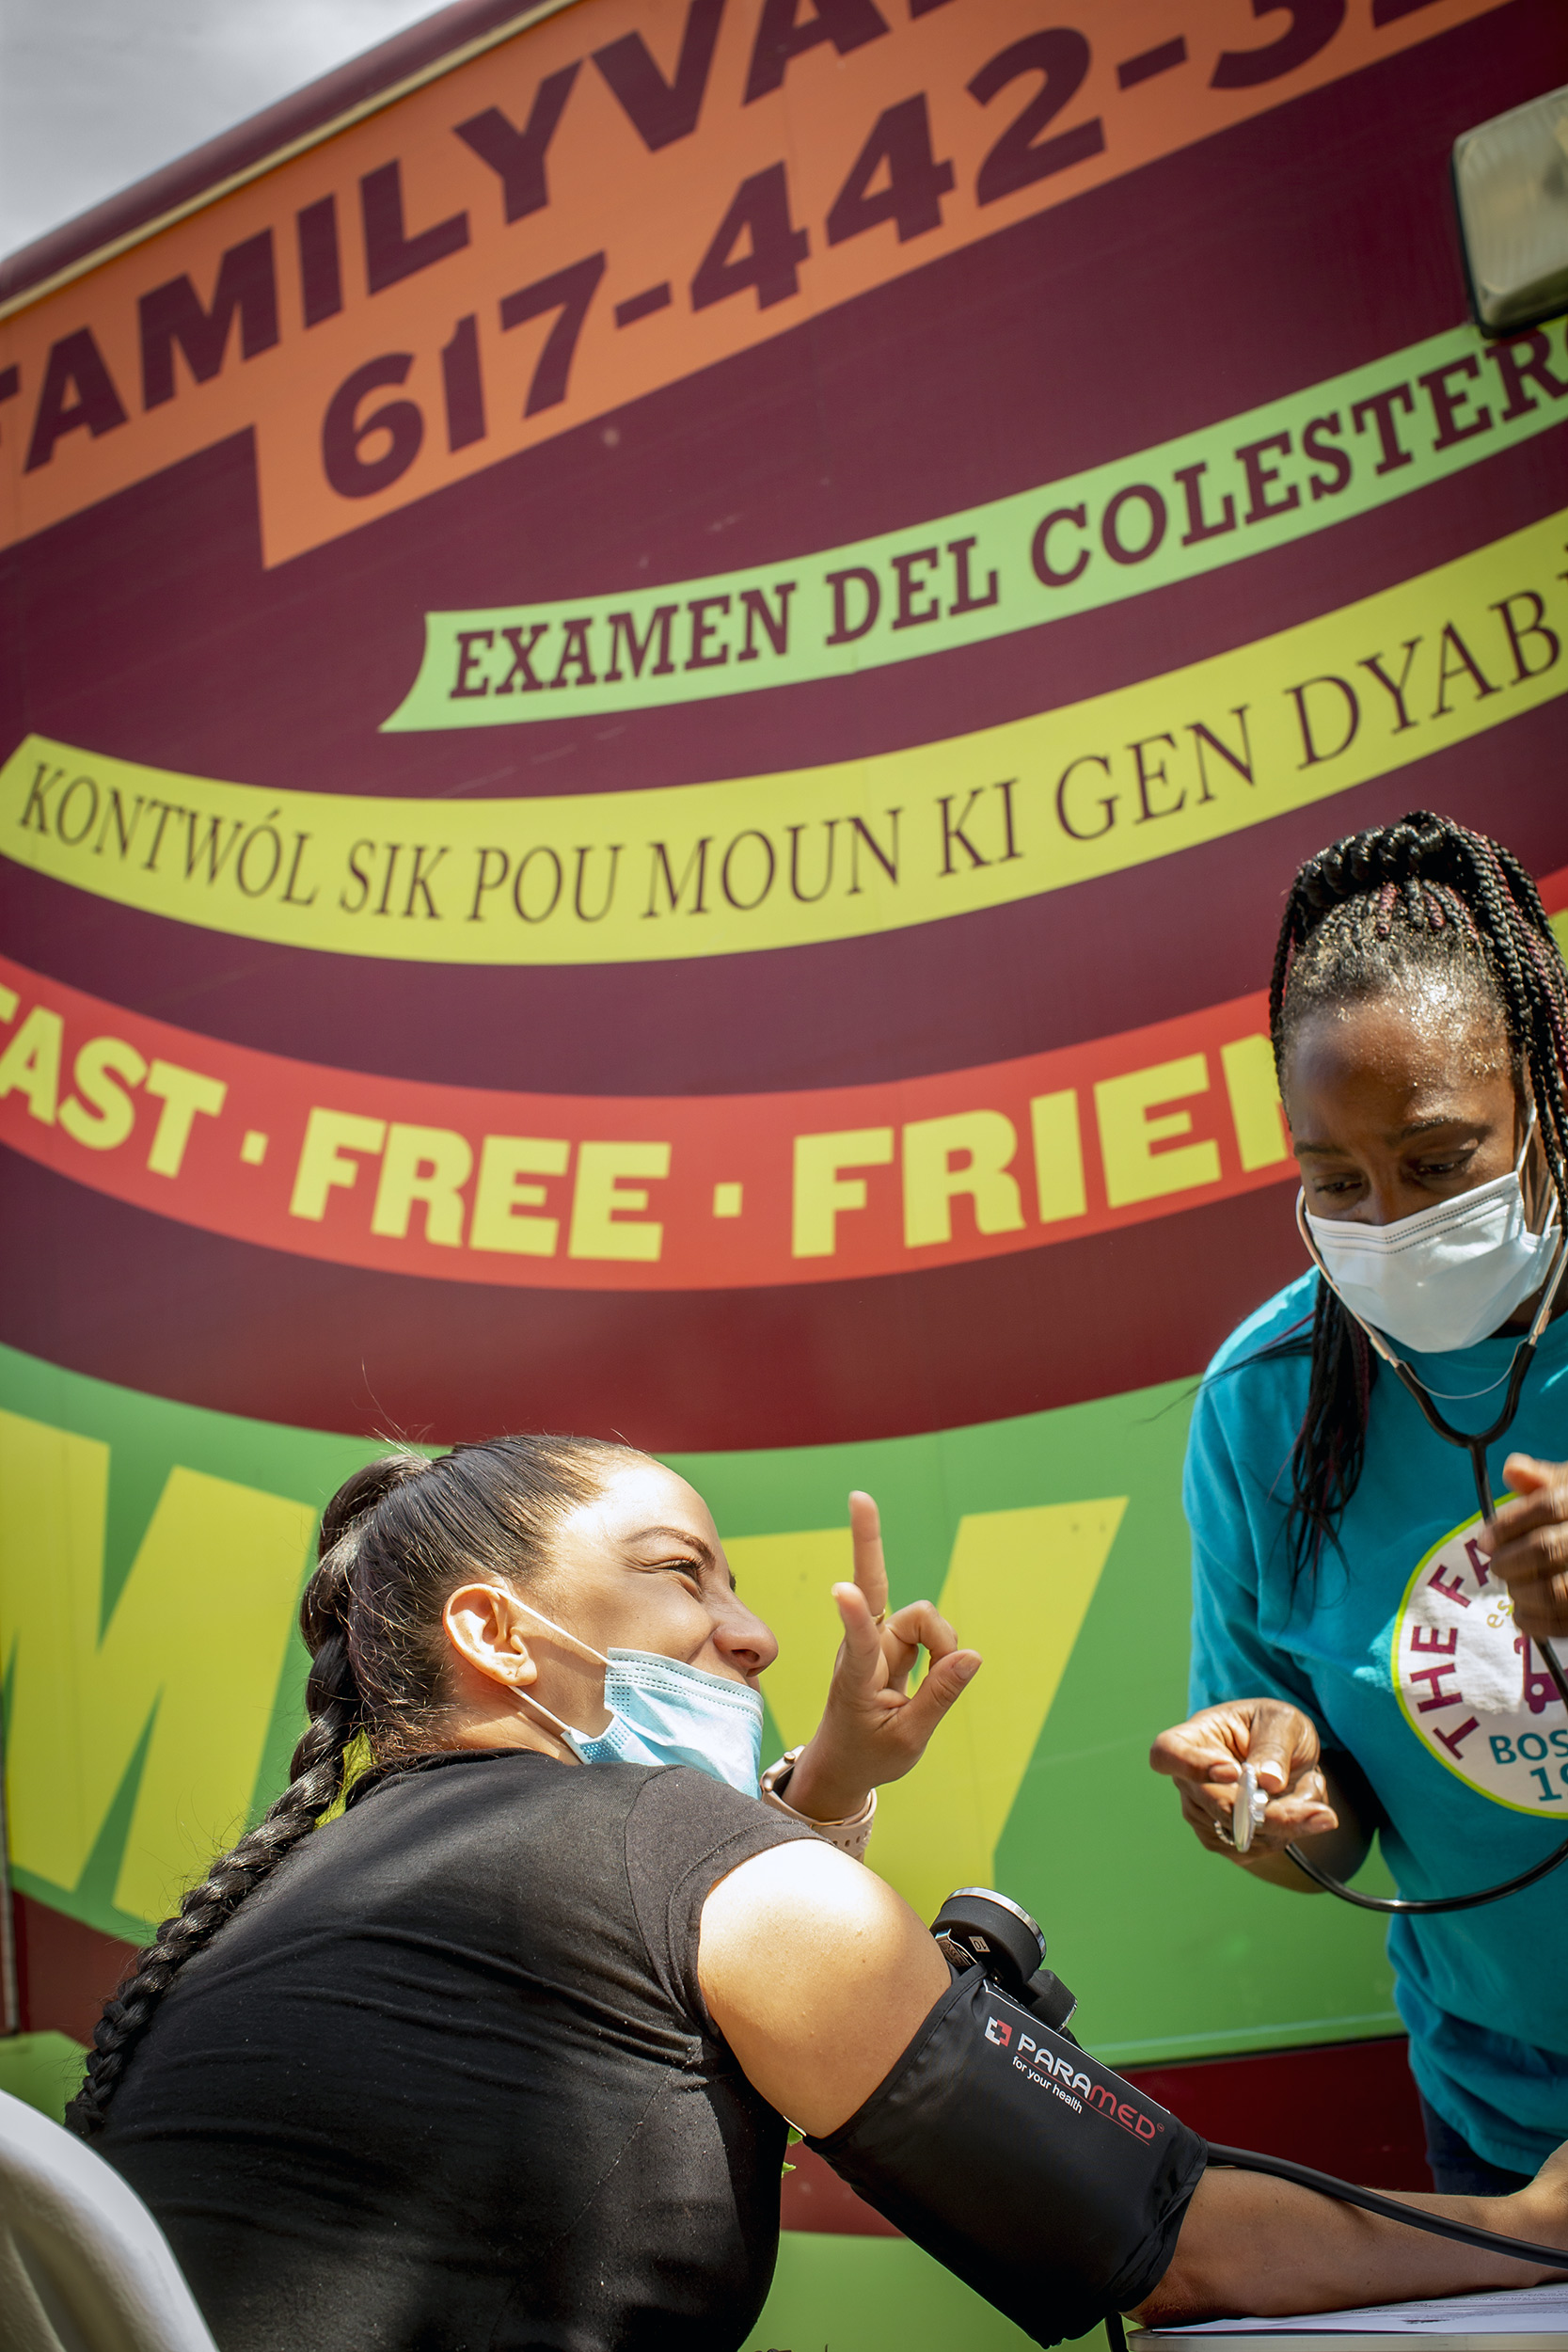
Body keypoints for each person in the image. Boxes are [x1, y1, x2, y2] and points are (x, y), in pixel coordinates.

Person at [70, 1431, 1568, 2351]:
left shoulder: (287, 1902)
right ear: (498, 1633)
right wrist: (1535, 2223)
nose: (756, 1634)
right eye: (683, 1575)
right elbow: (1172, 2247)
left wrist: (821, 1802)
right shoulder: (679, 1865)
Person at [1152, 811, 1568, 2197]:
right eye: (1336, 1181)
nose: (1387, 1220)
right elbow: (1326, 1831)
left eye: (1439, 1161)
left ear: (1550, 1098)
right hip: (1506, 2126)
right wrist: (1269, 1798)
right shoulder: (1266, 1404)